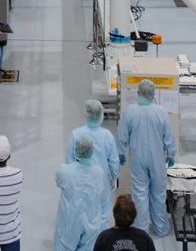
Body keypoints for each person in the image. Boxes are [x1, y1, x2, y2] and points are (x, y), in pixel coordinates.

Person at [116, 80, 176, 237]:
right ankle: (161, 228)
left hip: (138, 159)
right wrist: (171, 153)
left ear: (138, 92)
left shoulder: (130, 111)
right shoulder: (161, 111)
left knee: (139, 194)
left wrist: (120, 152)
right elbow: (168, 135)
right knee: (158, 194)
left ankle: (140, 230)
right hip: (157, 159)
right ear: (153, 94)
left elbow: (122, 134)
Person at [66, 99, 119, 227]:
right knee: (103, 213)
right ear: (101, 115)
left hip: (81, 181)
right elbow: (113, 160)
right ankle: (100, 242)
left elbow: (69, 160)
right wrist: (114, 177)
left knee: (83, 212)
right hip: (102, 181)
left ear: (86, 114)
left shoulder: (76, 134)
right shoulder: (107, 135)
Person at [54, 134, 107, 251]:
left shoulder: (64, 171)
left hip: (69, 222)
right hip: (91, 222)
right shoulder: (99, 172)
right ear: (92, 151)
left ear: (75, 150)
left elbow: (58, 182)